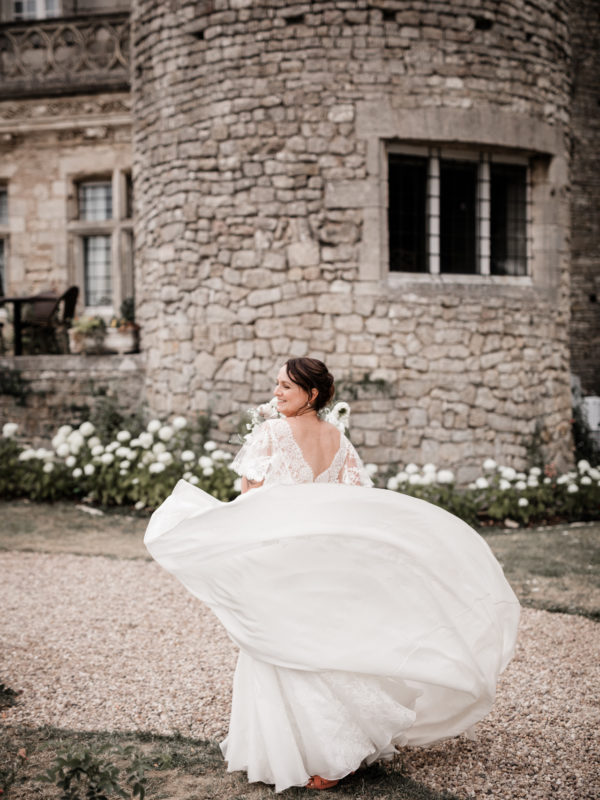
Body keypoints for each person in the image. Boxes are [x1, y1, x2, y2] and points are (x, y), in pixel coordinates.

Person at [144, 357, 520, 793]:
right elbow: (354, 504)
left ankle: (314, 756)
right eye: (277, 384)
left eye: (287, 386)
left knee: (285, 651)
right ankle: (340, 749)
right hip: (322, 566)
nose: (277, 392)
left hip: (280, 565)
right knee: (326, 647)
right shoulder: (338, 440)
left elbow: (250, 504)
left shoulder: (269, 435)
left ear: (313, 394)